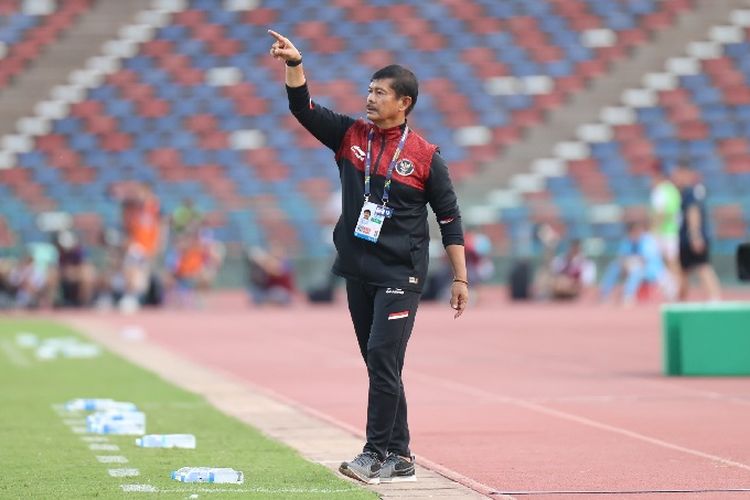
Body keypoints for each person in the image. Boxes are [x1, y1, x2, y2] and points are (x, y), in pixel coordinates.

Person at [268, 30, 469, 484]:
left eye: (380, 93)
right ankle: (401, 456)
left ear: (404, 103)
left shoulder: (425, 157)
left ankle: (374, 453)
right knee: (381, 363)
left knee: (381, 356)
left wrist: (460, 278)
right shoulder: (350, 135)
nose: (370, 98)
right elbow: (303, 108)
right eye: (369, 90)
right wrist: (295, 64)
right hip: (358, 269)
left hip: (401, 272)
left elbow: (450, 219)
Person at [672, 164, 722, 301]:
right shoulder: (687, 192)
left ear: (686, 174)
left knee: (703, 266)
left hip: (691, 238)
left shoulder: (689, 192)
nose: (675, 177)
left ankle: (715, 298)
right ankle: (681, 300)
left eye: (678, 174)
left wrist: (695, 235)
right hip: (685, 238)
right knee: (684, 270)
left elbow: (693, 212)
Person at [598, 221, 672, 306]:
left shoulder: (647, 240)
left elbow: (645, 260)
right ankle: (604, 295)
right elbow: (621, 258)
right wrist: (625, 265)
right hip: (631, 268)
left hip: (653, 272)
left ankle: (627, 296)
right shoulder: (627, 240)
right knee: (614, 267)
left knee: (636, 271)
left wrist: (630, 262)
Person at [649, 161, 681, 291]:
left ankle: (671, 289)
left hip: (663, 232)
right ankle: (677, 290)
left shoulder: (660, 191)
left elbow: (660, 213)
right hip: (673, 231)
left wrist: (655, 231)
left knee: (658, 262)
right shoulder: (673, 190)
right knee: (673, 262)